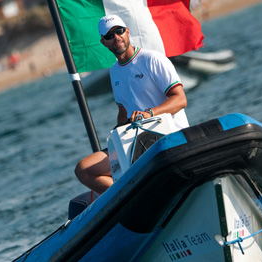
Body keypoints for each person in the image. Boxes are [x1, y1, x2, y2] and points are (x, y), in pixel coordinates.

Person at [75, 14, 189, 194]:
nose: (116, 37)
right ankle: (129, 197)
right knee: (84, 169)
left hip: (168, 136)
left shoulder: (152, 59)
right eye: (109, 36)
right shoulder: (114, 72)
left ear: (127, 32)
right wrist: (113, 138)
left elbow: (180, 99)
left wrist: (149, 114)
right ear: (103, 42)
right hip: (136, 143)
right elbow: (123, 112)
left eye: (119, 31)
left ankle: (132, 193)